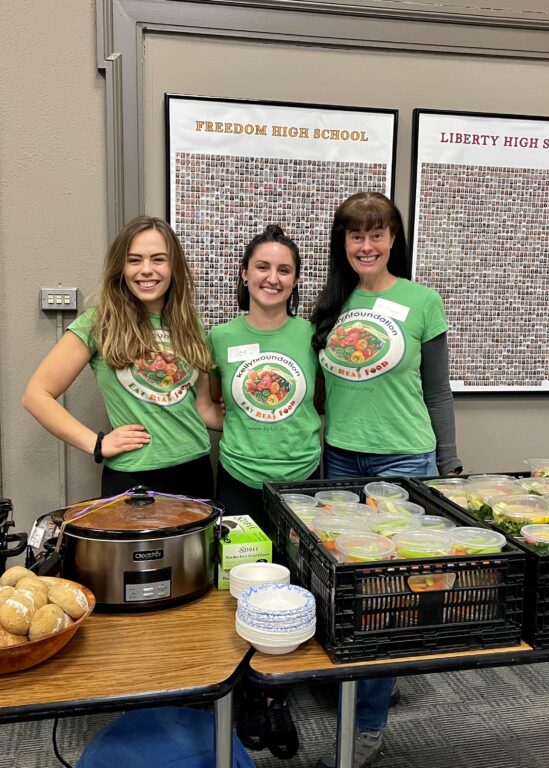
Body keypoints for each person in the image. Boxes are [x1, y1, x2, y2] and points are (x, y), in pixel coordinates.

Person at [310, 192, 462, 768]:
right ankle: (376, 678)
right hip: (340, 461)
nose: (366, 245)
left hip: (404, 461)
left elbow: (439, 392)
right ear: (342, 244)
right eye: (355, 236)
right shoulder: (331, 303)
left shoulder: (423, 301)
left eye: (377, 234)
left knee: (387, 598)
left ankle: (367, 729)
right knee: (346, 589)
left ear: (394, 238)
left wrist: (448, 467)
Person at [207, 224, 321, 759]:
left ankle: (281, 699)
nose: (272, 277)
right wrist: (230, 430)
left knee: (297, 592)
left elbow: (328, 400)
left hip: (301, 480)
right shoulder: (221, 337)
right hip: (239, 479)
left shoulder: (312, 335)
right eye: (263, 267)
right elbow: (208, 404)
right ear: (245, 274)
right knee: (243, 591)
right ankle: (249, 695)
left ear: (295, 280)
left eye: (284, 269)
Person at [22, 215, 220, 499]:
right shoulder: (98, 323)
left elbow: (202, 409)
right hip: (132, 477)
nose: (146, 270)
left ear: (173, 266)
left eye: (158, 259)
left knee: (197, 547)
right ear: (121, 267)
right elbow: (35, 395)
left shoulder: (191, 326)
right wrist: (97, 443)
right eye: (135, 260)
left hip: (196, 470)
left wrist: (261, 420)